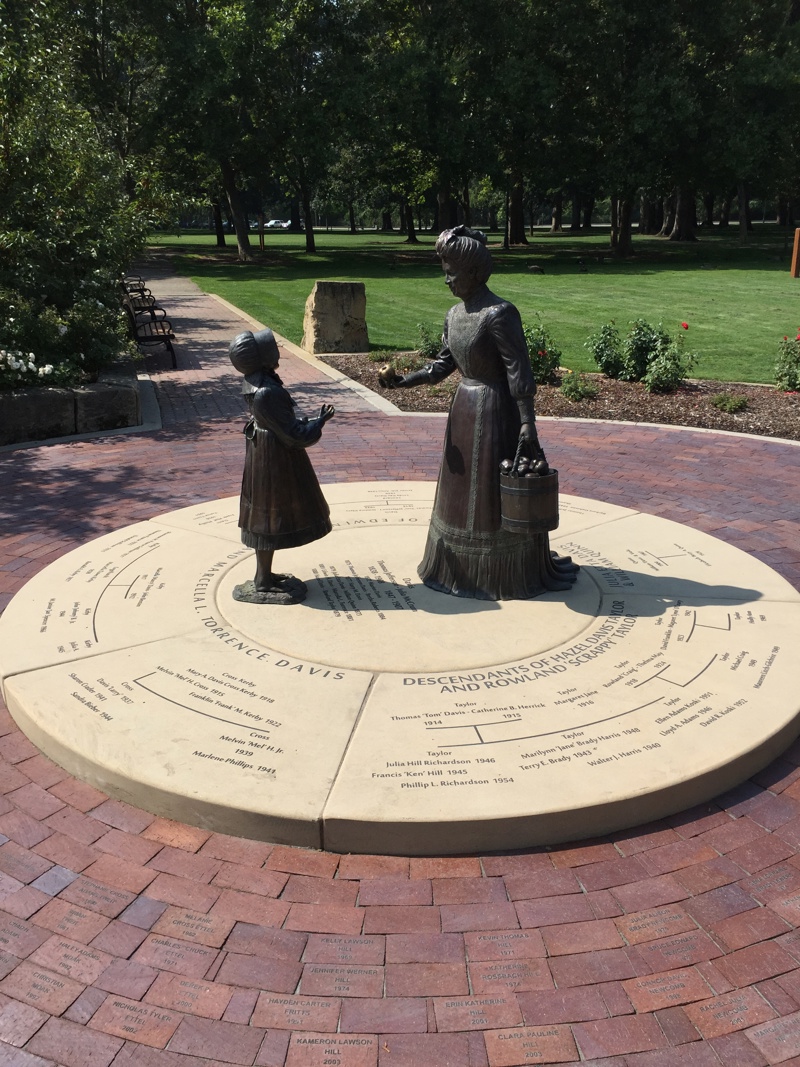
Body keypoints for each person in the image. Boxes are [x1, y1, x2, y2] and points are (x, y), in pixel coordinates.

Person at [381, 225, 577, 600]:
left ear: (474, 272)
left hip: (496, 412)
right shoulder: (454, 315)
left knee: (491, 491)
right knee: (460, 490)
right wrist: (406, 381)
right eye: (444, 271)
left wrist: (527, 422)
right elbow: (442, 366)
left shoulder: (500, 313)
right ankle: (456, 568)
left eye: (451, 272)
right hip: (464, 410)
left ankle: (499, 572)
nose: (447, 280)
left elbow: (519, 369)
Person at [229, 328, 334, 604]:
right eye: (270, 347)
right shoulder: (266, 392)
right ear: (262, 358)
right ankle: (262, 581)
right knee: (267, 518)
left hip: (266, 453)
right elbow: (293, 435)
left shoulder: (256, 382)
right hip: (273, 460)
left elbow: (283, 424)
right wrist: (318, 423)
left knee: (266, 517)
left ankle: (264, 575)